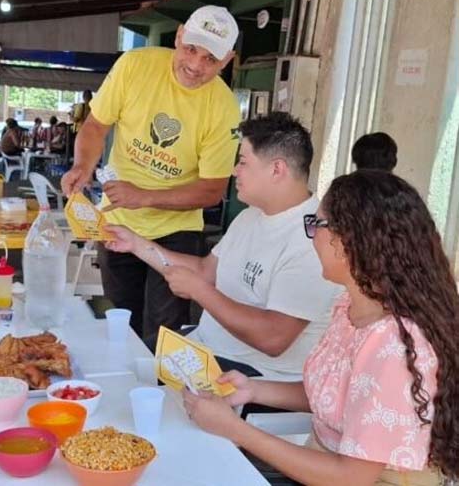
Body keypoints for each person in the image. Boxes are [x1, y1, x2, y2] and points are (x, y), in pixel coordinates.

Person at [182, 170, 459, 485]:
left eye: (315, 225)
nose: (310, 237)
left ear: (346, 241)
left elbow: (350, 477)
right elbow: (338, 395)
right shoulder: (351, 308)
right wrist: (254, 389)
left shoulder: (392, 345)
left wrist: (236, 431)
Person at [107, 113, 342, 381]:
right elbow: (206, 270)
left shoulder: (314, 238)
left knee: (125, 384)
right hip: (204, 347)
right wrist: (136, 244)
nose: (234, 171)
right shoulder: (250, 216)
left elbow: (274, 339)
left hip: (254, 376)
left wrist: (200, 292)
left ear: (277, 169)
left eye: (243, 162)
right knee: (117, 364)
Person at [62, 5, 242, 343]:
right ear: (178, 37)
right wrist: (82, 166)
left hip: (176, 233)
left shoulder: (223, 107)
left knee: (164, 331)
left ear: (227, 60)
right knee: (121, 317)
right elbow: (96, 125)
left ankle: (160, 394)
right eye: (191, 49)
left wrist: (143, 196)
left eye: (210, 59)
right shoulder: (135, 65)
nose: (195, 65)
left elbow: (212, 190)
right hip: (118, 222)